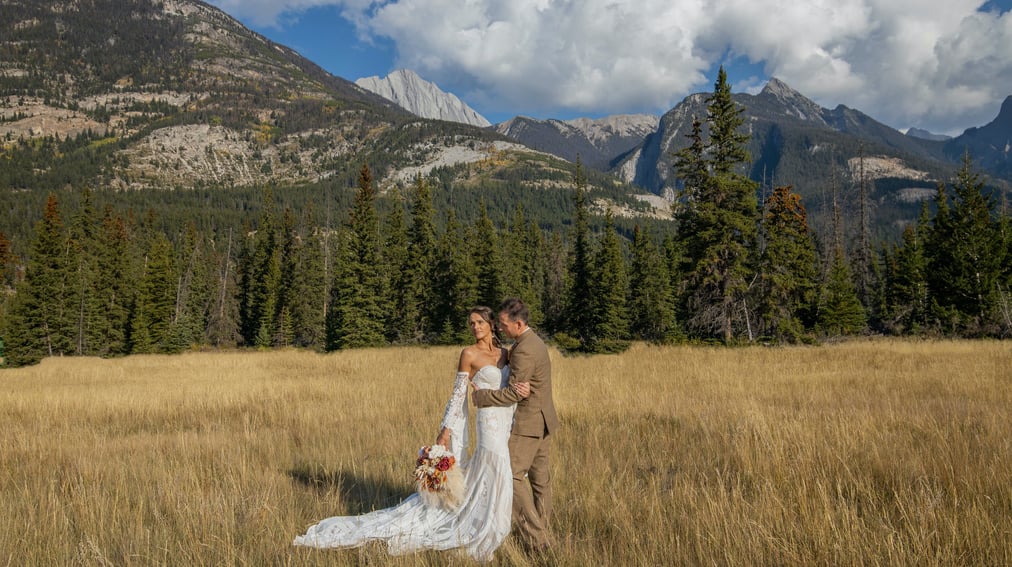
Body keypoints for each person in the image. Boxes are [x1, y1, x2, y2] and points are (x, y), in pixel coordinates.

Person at [293, 306, 530, 563]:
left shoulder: (506, 354)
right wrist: (445, 431)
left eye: (479, 322)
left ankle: (491, 517)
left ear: (491, 323)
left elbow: (514, 387)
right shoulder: (469, 354)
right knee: (494, 465)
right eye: (471, 323)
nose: (475, 327)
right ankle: (484, 526)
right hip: (488, 423)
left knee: (498, 473)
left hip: (506, 420)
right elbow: (458, 394)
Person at [473, 297, 559, 554]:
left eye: (503, 324)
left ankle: (537, 538)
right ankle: (542, 533)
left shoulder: (523, 349)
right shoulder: (534, 342)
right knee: (540, 481)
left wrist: (482, 397)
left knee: (511, 477)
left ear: (518, 324)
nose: (500, 328)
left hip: (529, 423)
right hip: (544, 420)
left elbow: (514, 393)